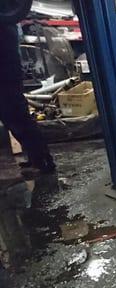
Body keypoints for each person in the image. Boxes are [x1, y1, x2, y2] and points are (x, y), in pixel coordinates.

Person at [0, 23, 55, 175]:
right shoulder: (7, 26)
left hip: (6, 79)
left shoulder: (5, 27)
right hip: (7, 77)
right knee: (14, 120)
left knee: (18, 119)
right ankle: (36, 158)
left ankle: (43, 162)